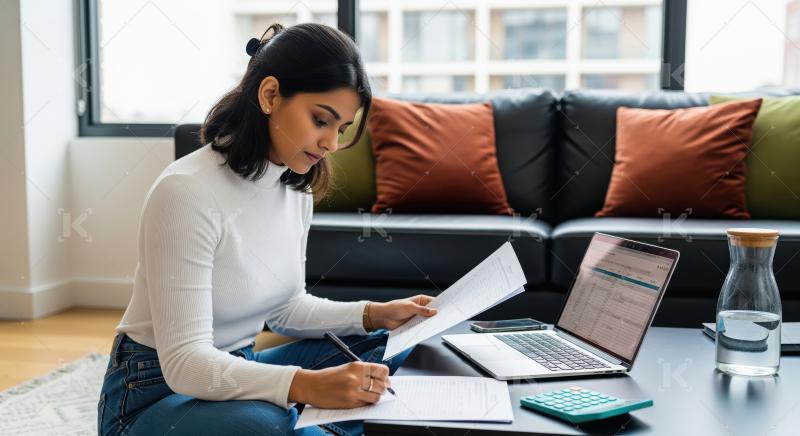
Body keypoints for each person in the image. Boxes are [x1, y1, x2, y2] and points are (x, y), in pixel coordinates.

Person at [97, 22, 437, 436]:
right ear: (270, 95)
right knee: (270, 423)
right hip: (153, 392)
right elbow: (186, 362)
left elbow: (285, 309)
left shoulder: (295, 190)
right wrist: (305, 385)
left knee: (388, 346)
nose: (331, 143)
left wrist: (374, 315)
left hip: (237, 370)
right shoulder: (185, 192)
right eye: (320, 120)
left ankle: (318, 425)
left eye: (341, 129)